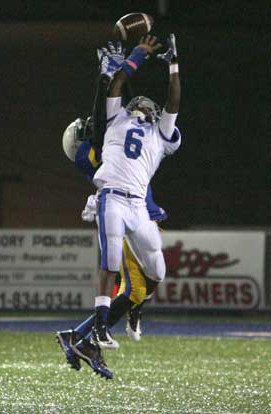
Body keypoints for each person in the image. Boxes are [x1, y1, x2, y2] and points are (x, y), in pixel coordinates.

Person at [57, 41, 170, 379]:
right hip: (123, 212)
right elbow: (105, 115)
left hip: (139, 212)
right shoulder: (93, 151)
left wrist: (113, 75)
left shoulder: (118, 137)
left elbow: (116, 112)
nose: (91, 123)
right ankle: (84, 336)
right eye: (86, 127)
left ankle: (84, 334)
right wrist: (104, 77)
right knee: (135, 289)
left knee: (148, 282)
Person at [90, 33, 181, 352]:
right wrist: (138, 55)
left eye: (146, 103)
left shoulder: (160, 135)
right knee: (110, 263)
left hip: (139, 206)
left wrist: (174, 65)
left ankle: (135, 308)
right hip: (112, 197)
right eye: (138, 100)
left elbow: (174, 102)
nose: (141, 102)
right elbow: (116, 85)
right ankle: (100, 328)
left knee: (157, 269)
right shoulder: (117, 119)